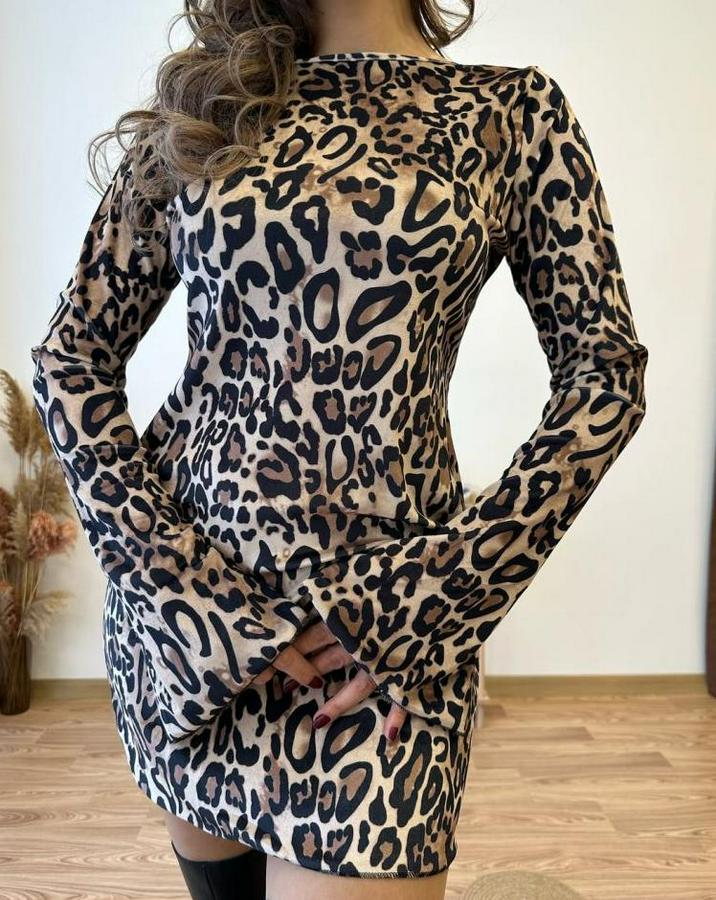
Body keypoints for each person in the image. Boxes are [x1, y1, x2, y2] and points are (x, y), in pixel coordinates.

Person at [29, 0, 649, 898]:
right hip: (194, 637)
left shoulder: (512, 115)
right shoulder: (210, 102)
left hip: (386, 651)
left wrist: (425, 602)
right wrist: (186, 596)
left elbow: (606, 376)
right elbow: (72, 355)